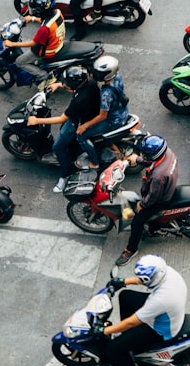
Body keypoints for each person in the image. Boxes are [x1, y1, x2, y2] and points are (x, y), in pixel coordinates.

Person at [102, 255, 187, 366]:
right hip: (168, 311)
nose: (140, 280)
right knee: (125, 296)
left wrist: (105, 330)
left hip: (160, 329)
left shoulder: (160, 299)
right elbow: (145, 279)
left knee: (113, 348)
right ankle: (127, 337)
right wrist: (123, 281)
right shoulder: (166, 272)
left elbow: (132, 322)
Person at [26, 65, 101, 193]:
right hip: (90, 114)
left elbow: (61, 119)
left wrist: (37, 120)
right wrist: (60, 85)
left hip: (79, 122)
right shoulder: (91, 83)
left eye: (67, 83)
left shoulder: (79, 101)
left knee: (57, 147)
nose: (65, 84)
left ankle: (65, 175)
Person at [115, 136, 179, 266]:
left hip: (161, 199)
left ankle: (131, 249)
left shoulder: (158, 176)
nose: (143, 155)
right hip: (170, 185)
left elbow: (153, 197)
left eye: (146, 154)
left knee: (136, 222)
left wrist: (142, 204)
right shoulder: (167, 152)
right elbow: (152, 162)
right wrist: (138, 159)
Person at [4, 0, 67, 83]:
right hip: (57, 43)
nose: (32, 10)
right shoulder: (57, 12)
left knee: (19, 62)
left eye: (34, 9)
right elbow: (48, 20)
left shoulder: (45, 29)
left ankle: (44, 75)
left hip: (47, 52)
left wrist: (12, 44)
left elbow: (33, 43)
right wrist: (33, 18)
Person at [76, 55, 130, 160]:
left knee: (81, 136)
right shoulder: (118, 77)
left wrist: (85, 126)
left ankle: (94, 161)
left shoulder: (106, 94)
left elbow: (102, 116)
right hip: (122, 112)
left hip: (113, 121)